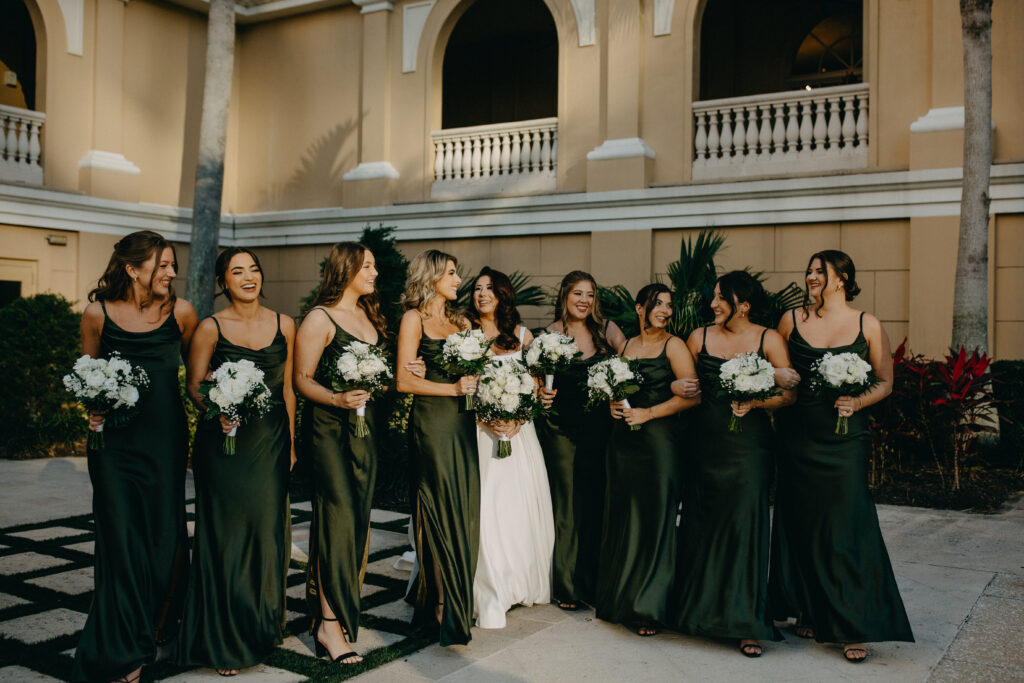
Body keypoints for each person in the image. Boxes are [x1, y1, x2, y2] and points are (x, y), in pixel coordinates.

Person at [770, 249, 914, 663]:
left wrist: (858, 401)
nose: (811, 277)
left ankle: (854, 625)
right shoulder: (790, 321)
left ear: (842, 278)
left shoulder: (867, 323)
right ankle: (811, 609)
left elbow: (885, 381)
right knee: (802, 522)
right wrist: (779, 376)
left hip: (846, 439)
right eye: (809, 270)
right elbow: (775, 368)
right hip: (797, 437)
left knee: (849, 524)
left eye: (820, 271)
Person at [72, 231, 197, 683]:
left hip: (164, 443)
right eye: (162, 264)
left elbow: (196, 379)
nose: (171, 272)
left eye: (172, 264)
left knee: (164, 541)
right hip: (113, 448)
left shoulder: (181, 314)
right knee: (120, 541)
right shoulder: (96, 315)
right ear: (132, 268)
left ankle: (162, 628)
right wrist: (94, 407)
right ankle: (125, 646)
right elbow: (87, 377)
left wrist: (232, 409)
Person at [178, 247, 296, 676]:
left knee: (266, 534)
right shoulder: (210, 328)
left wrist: (293, 445)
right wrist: (217, 408)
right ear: (223, 282)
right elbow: (194, 387)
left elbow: (287, 392)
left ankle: (261, 626)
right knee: (225, 536)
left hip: (271, 445)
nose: (248, 277)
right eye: (237, 271)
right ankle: (222, 637)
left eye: (254, 269)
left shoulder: (286, 324)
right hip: (224, 446)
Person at [670, 271, 794, 657]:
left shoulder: (768, 339)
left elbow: (789, 395)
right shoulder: (698, 338)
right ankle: (697, 614)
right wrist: (677, 387)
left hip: (749, 447)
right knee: (701, 522)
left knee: (744, 527)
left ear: (743, 303)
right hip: (704, 445)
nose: (713, 304)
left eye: (721, 297)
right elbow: (682, 383)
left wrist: (757, 402)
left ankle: (746, 622)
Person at [294, 242, 391, 664]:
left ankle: (339, 608)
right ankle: (327, 626)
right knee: (336, 521)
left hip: (365, 432)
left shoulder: (369, 316)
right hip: (330, 431)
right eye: (367, 266)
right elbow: (301, 379)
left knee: (357, 519)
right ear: (346, 268)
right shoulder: (320, 318)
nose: (374, 273)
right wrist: (336, 399)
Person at [594, 283, 699, 637]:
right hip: (623, 444)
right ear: (640, 309)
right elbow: (618, 389)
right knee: (627, 518)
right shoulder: (627, 346)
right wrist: (613, 405)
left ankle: (649, 607)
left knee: (655, 520)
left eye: (669, 305)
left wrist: (648, 414)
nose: (665, 311)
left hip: (659, 443)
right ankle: (622, 598)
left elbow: (692, 397)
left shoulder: (675, 345)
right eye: (658, 304)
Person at [396, 250, 479, 646]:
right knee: (438, 511)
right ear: (430, 276)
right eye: (451, 272)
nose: (457, 280)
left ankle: (458, 599)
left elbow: (477, 372)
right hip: (431, 424)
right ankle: (441, 604)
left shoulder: (461, 322)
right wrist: (450, 386)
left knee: (463, 511)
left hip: (462, 426)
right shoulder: (414, 320)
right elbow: (403, 381)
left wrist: (473, 379)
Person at [466, 267, 555, 628]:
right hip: (480, 431)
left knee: (518, 507)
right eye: (476, 288)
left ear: (503, 294)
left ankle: (519, 581)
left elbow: (534, 388)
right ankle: (491, 589)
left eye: (489, 288)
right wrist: (486, 421)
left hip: (520, 434)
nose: (482, 294)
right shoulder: (465, 333)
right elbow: (463, 385)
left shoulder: (522, 335)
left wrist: (518, 421)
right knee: (487, 508)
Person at [535, 271, 625, 610]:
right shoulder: (549, 336)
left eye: (590, 295)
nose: (584, 301)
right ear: (565, 296)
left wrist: (621, 397)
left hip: (601, 429)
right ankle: (567, 584)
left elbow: (631, 368)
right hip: (560, 430)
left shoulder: (608, 331)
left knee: (596, 500)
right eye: (578, 294)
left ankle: (595, 581)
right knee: (567, 504)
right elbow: (534, 381)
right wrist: (540, 394)